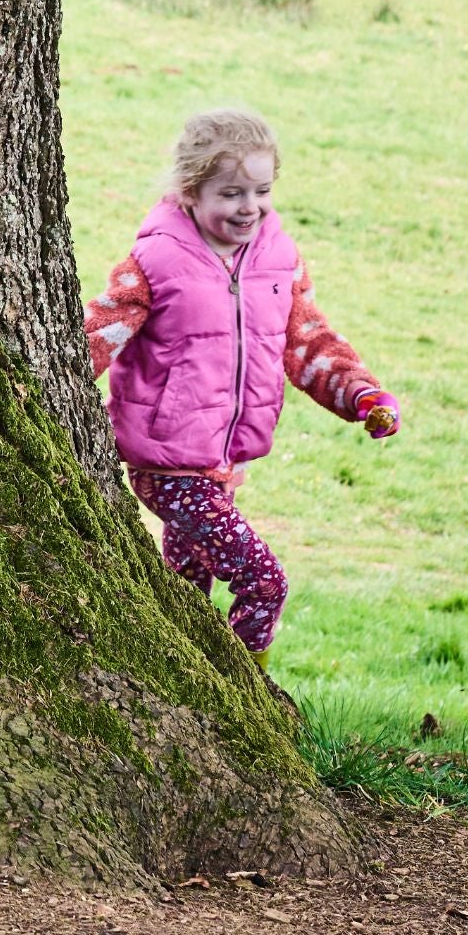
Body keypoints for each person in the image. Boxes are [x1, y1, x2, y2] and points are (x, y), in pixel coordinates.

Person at [85, 109, 402, 664]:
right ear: (190, 191)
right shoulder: (156, 261)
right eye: (231, 193)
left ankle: (178, 685)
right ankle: (245, 693)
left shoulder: (277, 260)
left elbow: (307, 341)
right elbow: (99, 332)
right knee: (265, 584)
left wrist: (361, 394)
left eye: (261, 190)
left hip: (225, 465)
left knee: (184, 598)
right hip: (169, 466)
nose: (249, 206)